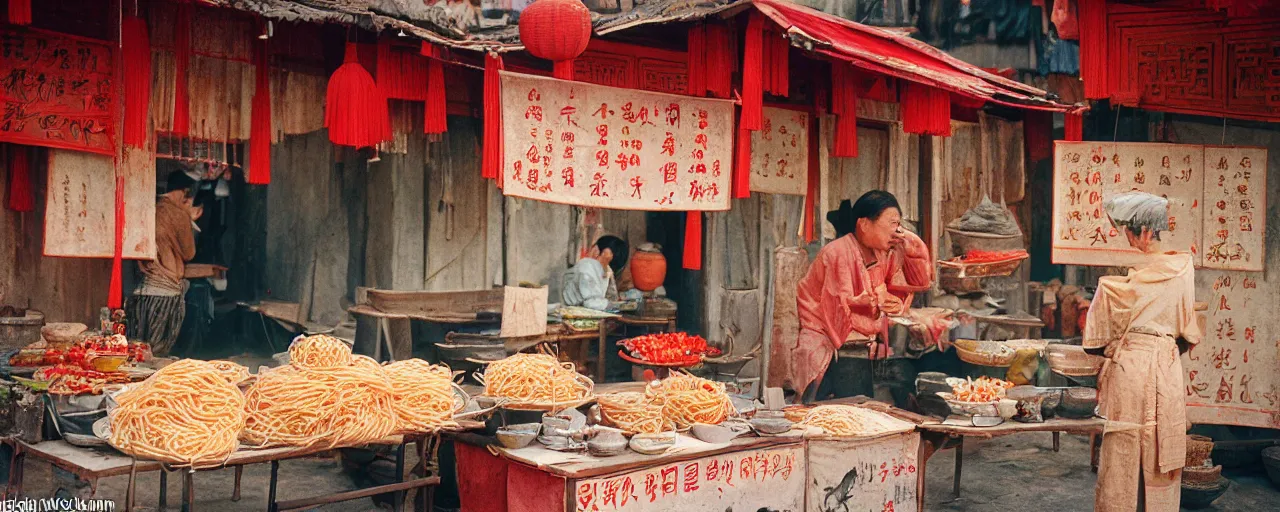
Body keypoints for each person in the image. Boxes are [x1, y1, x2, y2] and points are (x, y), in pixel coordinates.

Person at [1084, 192, 1200, 512]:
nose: (1130, 241)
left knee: (1123, 446)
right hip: (1166, 364)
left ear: (1145, 232)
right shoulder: (1183, 267)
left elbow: (1096, 342)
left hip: (1131, 366)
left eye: (1131, 233)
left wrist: (1113, 346)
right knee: (1160, 447)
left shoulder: (1124, 282)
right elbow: (1187, 334)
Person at [792, 190, 933, 401]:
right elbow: (841, 313)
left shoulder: (884, 253)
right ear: (865, 224)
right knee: (844, 416)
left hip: (858, 348)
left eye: (899, 224)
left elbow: (918, 282)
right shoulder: (837, 253)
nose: (897, 231)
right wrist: (879, 307)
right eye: (892, 224)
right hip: (829, 348)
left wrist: (910, 242)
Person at [126, 170, 202, 356]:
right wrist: (189, 220)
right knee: (158, 352)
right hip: (165, 292)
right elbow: (189, 253)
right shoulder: (178, 214)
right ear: (184, 192)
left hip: (140, 290)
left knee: (136, 350)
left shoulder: (149, 209)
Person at [561, 235, 630, 311]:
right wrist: (612, 305)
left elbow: (610, 297)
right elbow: (590, 303)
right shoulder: (587, 265)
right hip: (572, 310)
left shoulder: (605, 270)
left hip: (587, 310)